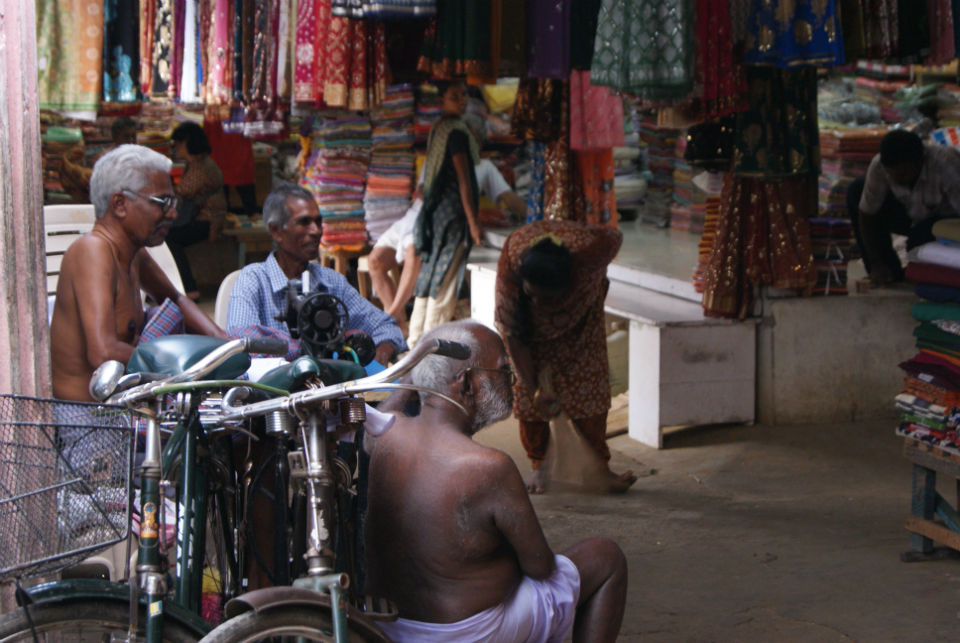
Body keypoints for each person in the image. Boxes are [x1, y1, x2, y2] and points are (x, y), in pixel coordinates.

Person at [365, 320, 628, 642]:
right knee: (606, 557)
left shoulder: (386, 437)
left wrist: (418, 373)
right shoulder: (488, 467)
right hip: (465, 634)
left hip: (393, 628)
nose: (512, 382)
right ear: (466, 383)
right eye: (503, 371)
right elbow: (541, 568)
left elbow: (382, 416)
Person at [50, 144, 228, 402]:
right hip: (91, 420)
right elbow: (102, 352)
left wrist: (227, 346)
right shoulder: (92, 250)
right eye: (163, 202)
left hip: (124, 403)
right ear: (120, 204)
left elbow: (175, 299)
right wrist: (183, 358)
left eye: (173, 201)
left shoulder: (134, 253)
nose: (173, 213)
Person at [495, 220, 637, 494]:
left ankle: (600, 470)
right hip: (530, 332)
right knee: (527, 399)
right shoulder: (511, 269)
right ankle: (540, 469)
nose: (539, 304)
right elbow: (512, 335)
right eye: (532, 295)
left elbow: (614, 233)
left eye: (547, 299)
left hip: (581, 325)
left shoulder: (592, 253)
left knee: (589, 392)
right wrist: (536, 389)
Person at [225, 183, 407, 365]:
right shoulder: (254, 279)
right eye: (304, 222)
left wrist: (381, 351)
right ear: (276, 231)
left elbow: (386, 327)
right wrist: (305, 347)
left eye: (318, 222)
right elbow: (241, 339)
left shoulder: (331, 282)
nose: (316, 231)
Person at [368, 139, 525, 335]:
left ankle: (391, 317)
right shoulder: (434, 161)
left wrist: (535, 214)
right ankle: (397, 323)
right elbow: (421, 193)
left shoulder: (484, 167)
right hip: (417, 217)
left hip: (439, 227)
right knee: (375, 261)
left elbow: (508, 198)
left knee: (414, 252)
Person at [406, 81, 484, 347]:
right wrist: (473, 224)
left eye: (463, 96)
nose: (461, 101)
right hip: (453, 217)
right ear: (442, 100)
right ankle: (430, 348)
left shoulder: (438, 129)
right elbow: (464, 179)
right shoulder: (457, 133)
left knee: (430, 277)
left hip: (437, 214)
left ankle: (415, 341)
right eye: (455, 96)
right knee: (444, 281)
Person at [848, 128, 960, 287]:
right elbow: (867, 214)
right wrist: (875, 262)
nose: (897, 179)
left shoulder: (946, 164)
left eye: (904, 173)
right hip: (908, 214)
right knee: (856, 191)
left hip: (943, 221)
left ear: (920, 161)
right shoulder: (879, 166)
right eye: (892, 174)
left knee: (916, 244)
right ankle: (887, 271)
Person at [166, 121, 229, 302]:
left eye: (178, 143)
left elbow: (182, 193)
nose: (176, 148)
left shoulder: (200, 167)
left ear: (187, 142)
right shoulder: (198, 163)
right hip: (203, 219)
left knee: (170, 239)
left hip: (208, 222)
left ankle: (189, 288)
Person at [59, 116, 139, 202]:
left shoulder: (141, 159)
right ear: (115, 136)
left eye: (133, 137)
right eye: (126, 137)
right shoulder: (103, 160)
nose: (131, 141)